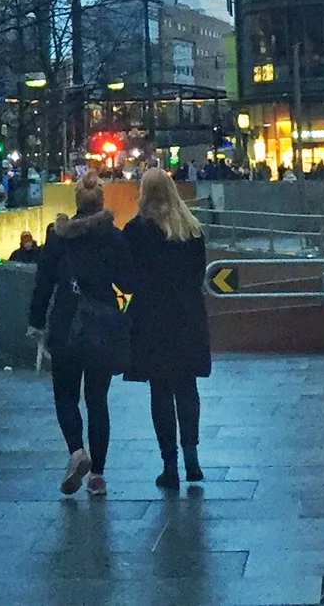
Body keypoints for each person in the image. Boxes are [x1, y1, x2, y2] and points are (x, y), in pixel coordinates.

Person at [27, 174, 130, 498]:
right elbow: (128, 283)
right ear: (101, 201)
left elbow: (43, 283)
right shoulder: (113, 237)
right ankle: (97, 477)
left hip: (66, 323)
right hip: (101, 326)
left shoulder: (58, 237)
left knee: (65, 396)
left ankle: (76, 451)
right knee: (98, 401)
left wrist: (35, 321)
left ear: (76, 201)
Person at [123, 169, 211, 491]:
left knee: (159, 390)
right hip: (187, 317)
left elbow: (127, 279)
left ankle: (169, 464)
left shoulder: (135, 231)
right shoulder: (192, 230)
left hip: (151, 319)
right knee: (187, 387)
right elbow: (198, 274)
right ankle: (192, 457)